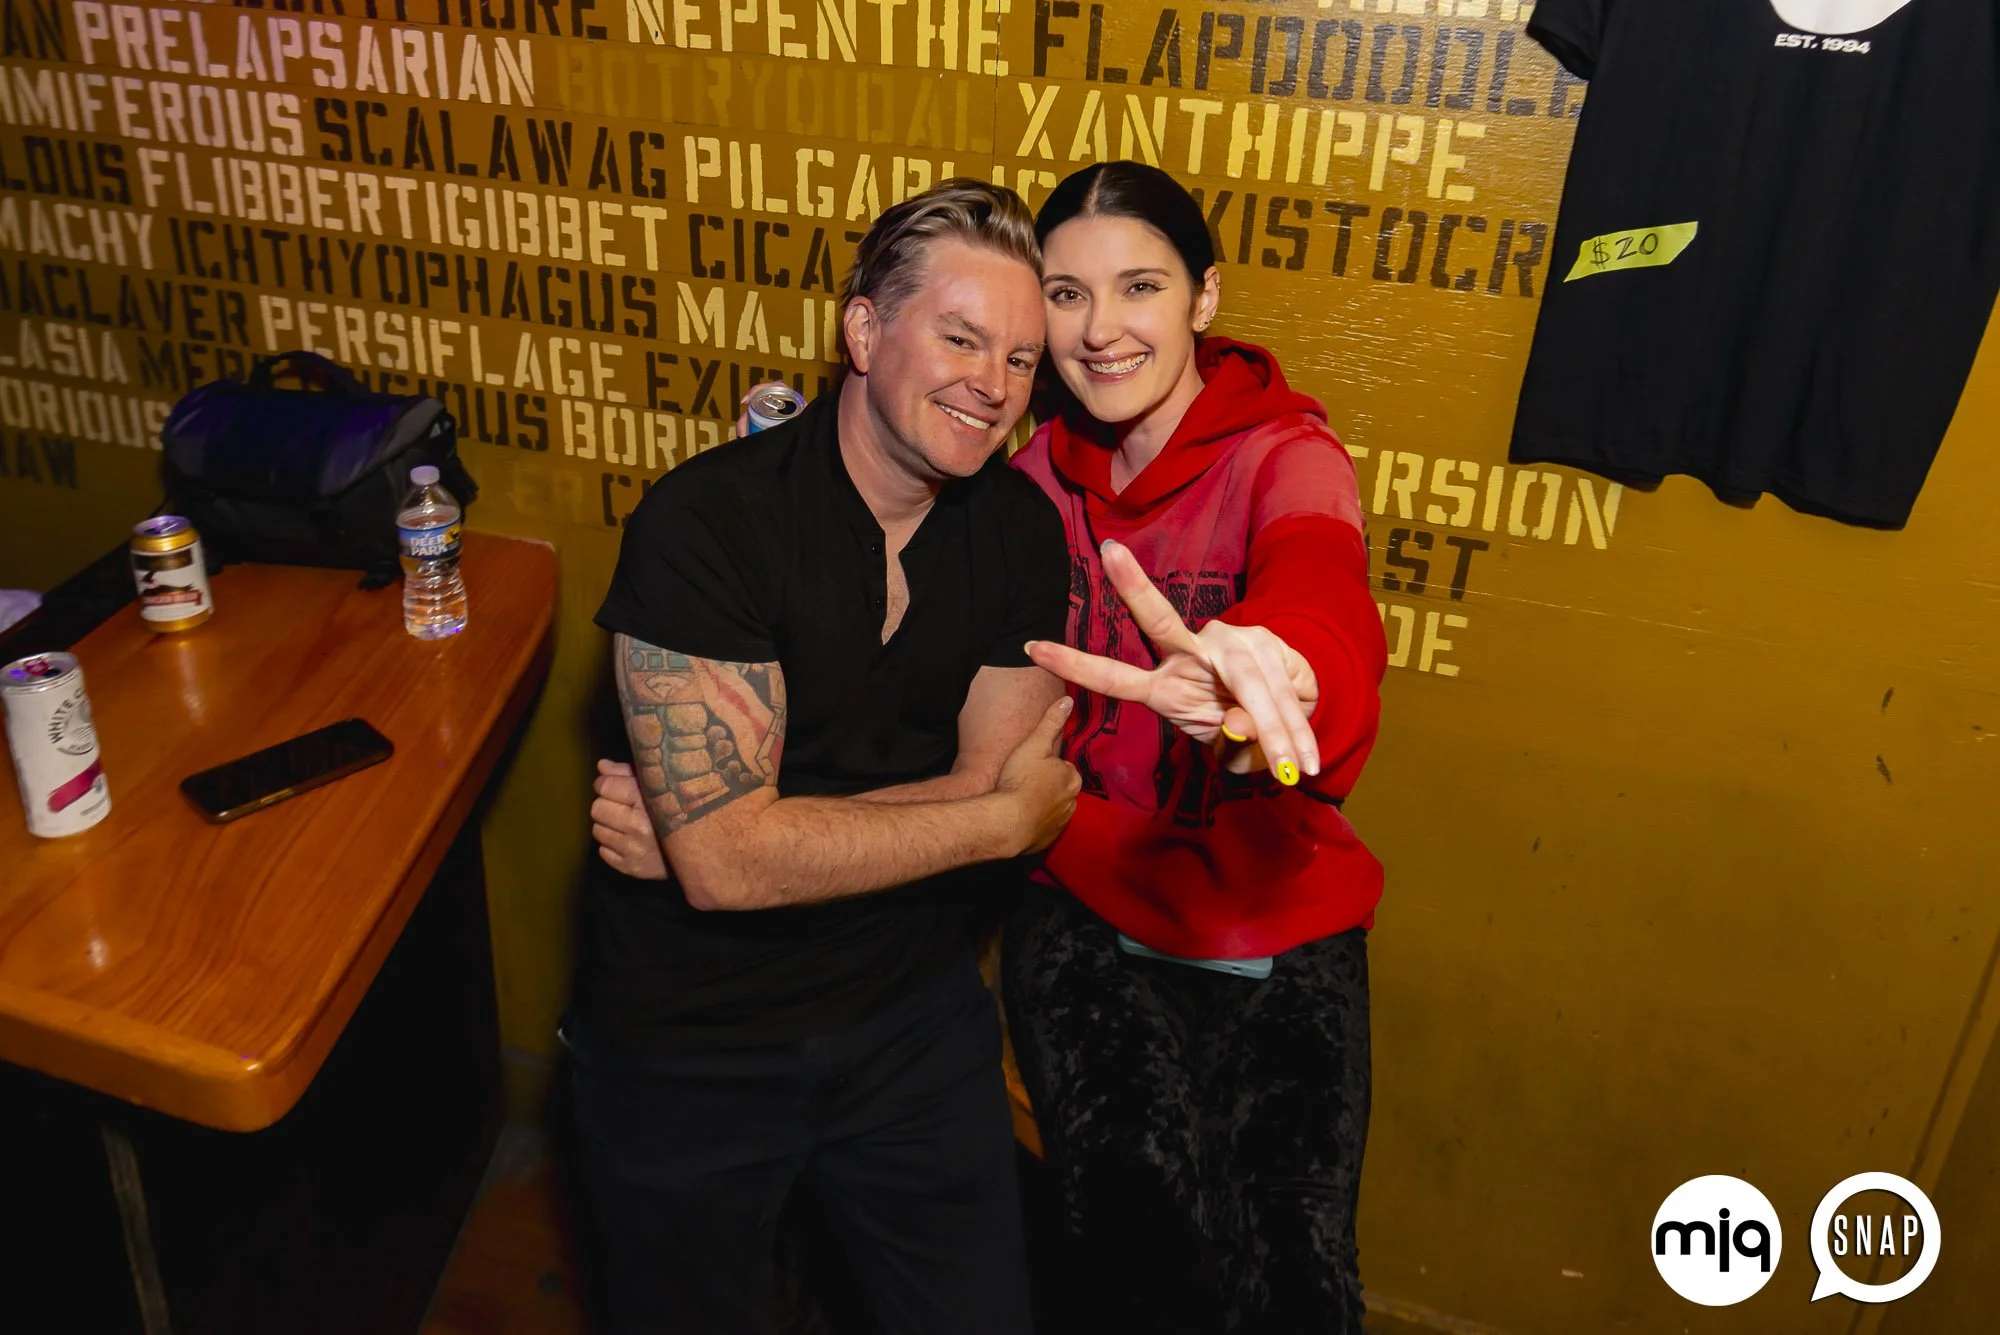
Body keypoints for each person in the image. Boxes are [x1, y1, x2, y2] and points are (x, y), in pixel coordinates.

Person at [568, 178, 1078, 1335]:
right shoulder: (705, 525)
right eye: (959, 338)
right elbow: (735, 868)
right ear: (863, 330)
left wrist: (738, 830)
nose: (992, 384)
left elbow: (742, 848)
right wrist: (997, 823)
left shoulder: (1018, 530)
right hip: (693, 1040)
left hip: (909, 1015)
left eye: (1019, 358)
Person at [1003, 161, 1388, 1333]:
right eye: (1064, 294)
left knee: (1296, 1275)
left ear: (1203, 297)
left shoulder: (1285, 453)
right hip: (1082, 895)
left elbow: (1319, 578)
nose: (1100, 329)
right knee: (1136, 1258)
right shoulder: (1028, 476)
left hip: (1277, 907)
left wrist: (1287, 672)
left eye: (1140, 287)